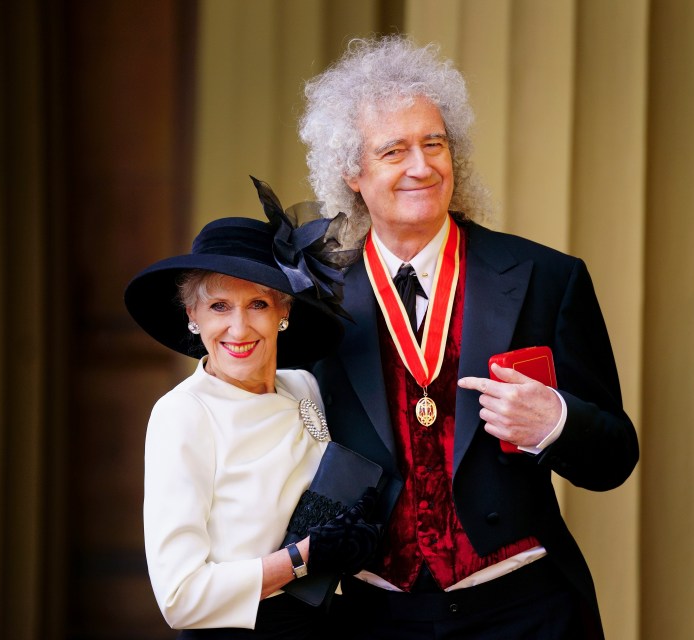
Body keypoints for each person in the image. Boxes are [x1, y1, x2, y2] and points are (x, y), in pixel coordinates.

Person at [300, 36, 640, 638]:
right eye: (394, 150)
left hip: (525, 612)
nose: (421, 166)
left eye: (434, 143)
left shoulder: (547, 277)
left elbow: (615, 456)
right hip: (370, 618)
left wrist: (556, 423)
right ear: (352, 172)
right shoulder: (311, 300)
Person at [124, 178, 380, 638]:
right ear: (192, 315)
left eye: (257, 304)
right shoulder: (182, 414)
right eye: (219, 306)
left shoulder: (304, 387)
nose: (238, 329)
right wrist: (301, 560)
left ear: (283, 311)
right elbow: (180, 598)